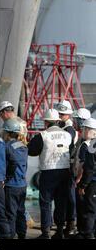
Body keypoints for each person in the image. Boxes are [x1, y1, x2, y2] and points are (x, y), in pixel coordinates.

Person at [28, 108, 72, 239]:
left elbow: (32, 151)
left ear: (46, 122)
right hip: (65, 171)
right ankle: (59, 230)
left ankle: (46, 232)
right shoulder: (68, 135)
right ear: (58, 121)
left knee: (46, 202)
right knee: (61, 202)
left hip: (48, 172)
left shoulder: (43, 135)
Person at [3, 119, 28, 239]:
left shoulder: (6, 146)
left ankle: (11, 235)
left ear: (7, 133)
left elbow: (7, 164)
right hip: (22, 184)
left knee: (10, 213)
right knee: (20, 211)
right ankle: (22, 234)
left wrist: (6, 178)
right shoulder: (24, 146)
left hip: (11, 185)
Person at [57, 100, 77, 236]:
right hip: (63, 165)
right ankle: (67, 223)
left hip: (67, 166)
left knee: (69, 196)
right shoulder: (63, 127)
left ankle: (70, 223)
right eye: (59, 113)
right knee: (65, 196)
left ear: (68, 115)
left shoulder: (69, 129)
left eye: (62, 114)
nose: (60, 116)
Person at [74, 117, 96, 238]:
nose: (83, 131)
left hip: (92, 182)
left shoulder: (90, 145)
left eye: (85, 129)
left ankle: (87, 233)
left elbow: (88, 167)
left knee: (89, 209)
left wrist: (82, 184)